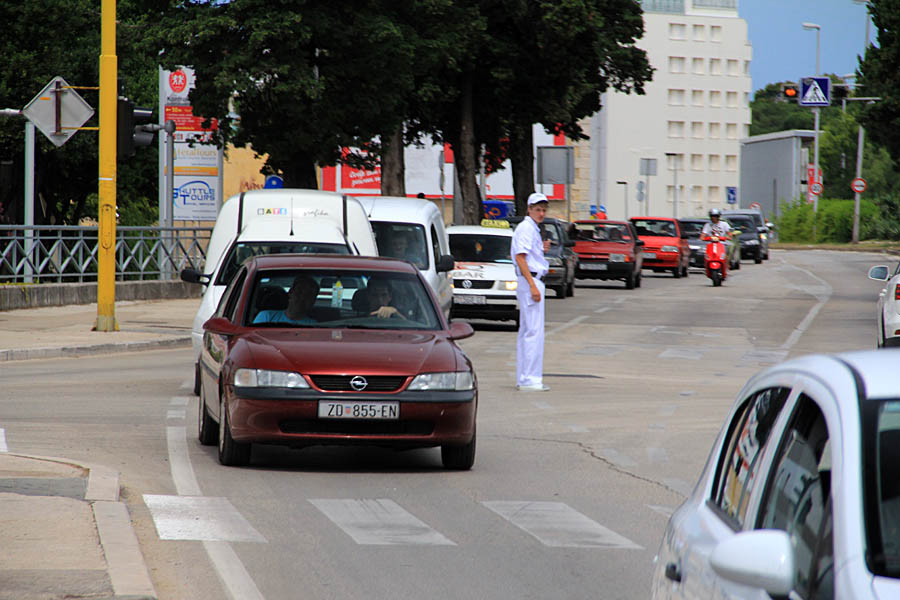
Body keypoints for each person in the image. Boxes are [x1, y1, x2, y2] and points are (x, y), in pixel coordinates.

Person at [511, 192, 551, 392]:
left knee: (528, 331)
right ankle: (530, 379)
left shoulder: (531, 229)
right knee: (533, 332)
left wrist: (541, 250)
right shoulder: (526, 228)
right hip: (531, 281)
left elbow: (527, 255)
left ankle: (524, 377)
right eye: (538, 209)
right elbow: (520, 258)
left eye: (544, 210)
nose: (541, 213)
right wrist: (533, 285)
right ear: (529, 209)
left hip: (532, 280)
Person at [253, 275, 319, 325]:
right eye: (299, 292)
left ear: (313, 301)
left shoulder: (314, 325)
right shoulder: (266, 317)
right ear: (290, 292)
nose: (302, 298)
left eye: (308, 295)